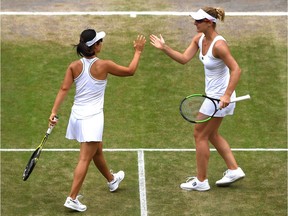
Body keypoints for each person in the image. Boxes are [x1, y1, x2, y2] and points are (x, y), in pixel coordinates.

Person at [49, 29, 146, 211]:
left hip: (77, 116)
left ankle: (112, 180)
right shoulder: (105, 65)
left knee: (97, 150)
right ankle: (72, 198)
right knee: (85, 158)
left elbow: (63, 89)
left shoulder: (74, 66)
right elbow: (130, 71)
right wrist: (138, 51)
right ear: (95, 46)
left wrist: (53, 112)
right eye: (100, 41)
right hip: (92, 118)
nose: (102, 44)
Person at [150, 7, 245, 191]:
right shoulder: (199, 39)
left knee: (199, 134)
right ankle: (234, 169)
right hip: (214, 97)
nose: (195, 23)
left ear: (209, 22)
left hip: (220, 98)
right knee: (211, 134)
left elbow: (236, 69)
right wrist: (164, 48)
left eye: (199, 21)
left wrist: (226, 95)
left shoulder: (219, 45)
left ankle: (201, 181)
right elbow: (184, 58)